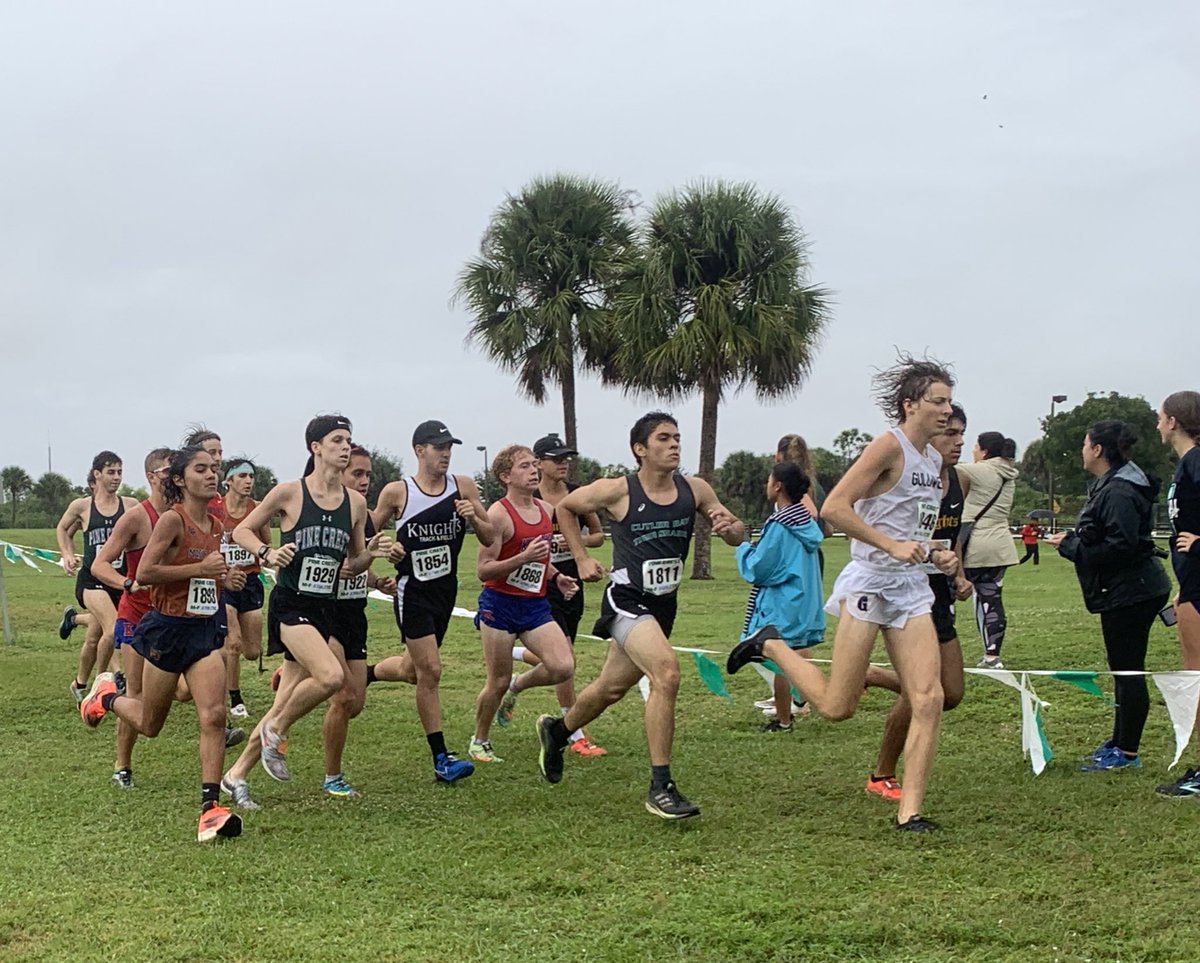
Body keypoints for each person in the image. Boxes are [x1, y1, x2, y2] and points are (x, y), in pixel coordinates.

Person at [727, 355, 958, 832]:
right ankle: (769, 644)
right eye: (938, 402)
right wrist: (890, 546)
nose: (947, 411)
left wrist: (938, 554)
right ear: (910, 404)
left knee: (929, 697)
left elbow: (916, 532)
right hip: (870, 582)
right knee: (837, 707)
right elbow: (834, 509)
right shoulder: (888, 446)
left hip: (911, 590)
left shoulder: (934, 461)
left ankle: (910, 812)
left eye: (950, 403)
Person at [536, 412, 746, 820]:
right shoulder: (618, 490)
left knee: (610, 688)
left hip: (664, 605)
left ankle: (557, 731)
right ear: (640, 449)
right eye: (663, 438)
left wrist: (730, 527)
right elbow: (565, 508)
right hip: (626, 599)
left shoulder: (695, 489)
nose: (674, 444)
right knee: (667, 673)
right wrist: (580, 558)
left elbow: (736, 534)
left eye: (677, 437)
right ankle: (660, 787)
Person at [78, 445, 245, 842]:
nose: (211, 475)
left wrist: (225, 579)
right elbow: (148, 572)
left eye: (214, 468)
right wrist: (200, 567)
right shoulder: (171, 520)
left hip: (203, 630)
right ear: (180, 480)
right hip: (167, 630)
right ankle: (106, 698)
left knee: (214, 715)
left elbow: (206, 576)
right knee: (151, 724)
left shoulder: (216, 526)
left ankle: (210, 810)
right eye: (201, 469)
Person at [220, 415, 389, 804]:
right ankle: (275, 730)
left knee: (285, 700)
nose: (345, 447)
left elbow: (354, 564)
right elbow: (241, 530)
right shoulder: (289, 493)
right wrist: (267, 552)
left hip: (325, 609)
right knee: (331, 677)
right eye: (337, 440)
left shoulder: (355, 503)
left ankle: (236, 774)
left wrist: (371, 554)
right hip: (290, 605)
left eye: (348, 440)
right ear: (316, 447)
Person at [367, 420, 491, 784]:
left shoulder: (463, 486)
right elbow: (366, 532)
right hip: (413, 592)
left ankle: (363, 674)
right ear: (419, 450)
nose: (446, 454)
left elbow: (491, 536)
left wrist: (473, 518)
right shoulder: (398, 492)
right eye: (439, 447)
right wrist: (386, 547)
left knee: (412, 670)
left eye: (449, 447)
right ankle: (441, 759)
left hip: (445, 591)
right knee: (431, 671)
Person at [1047, 420, 1171, 772]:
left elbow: (1121, 547)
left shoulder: (1119, 491)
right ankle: (1119, 742)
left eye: (1085, 444)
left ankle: (1126, 752)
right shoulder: (1113, 484)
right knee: (1122, 669)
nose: (1082, 451)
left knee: (1128, 670)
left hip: (1133, 591)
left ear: (1098, 449)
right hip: (1127, 589)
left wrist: (1070, 546)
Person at [864, 404, 974, 802]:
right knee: (922, 693)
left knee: (952, 693)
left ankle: (874, 676)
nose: (958, 442)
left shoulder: (961, 481)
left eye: (962, 434)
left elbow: (951, 536)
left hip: (939, 594)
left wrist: (959, 574)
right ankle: (882, 774)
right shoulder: (907, 473)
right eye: (950, 433)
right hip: (906, 593)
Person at [469, 445, 578, 763]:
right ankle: (480, 741)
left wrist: (557, 576)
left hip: (534, 605)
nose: (534, 470)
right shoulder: (498, 515)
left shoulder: (546, 509)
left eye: (534, 464)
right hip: (500, 605)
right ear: (506, 476)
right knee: (496, 681)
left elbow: (541, 557)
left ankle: (518, 686)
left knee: (562, 666)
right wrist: (523, 558)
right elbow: (484, 570)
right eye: (524, 466)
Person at [508, 433, 608, 756]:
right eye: (556, 458)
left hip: (572, 584)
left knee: (562, 660)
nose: (564, 463)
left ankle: (515, 681)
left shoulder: (577, 495)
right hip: (540, 585)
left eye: (566, 457)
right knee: (567, 661)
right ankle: (574, 733)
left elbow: (598, 536)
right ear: (539, 463)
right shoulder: (530, 497)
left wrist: (574, 540)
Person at [90, 447, 173, 789]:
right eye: (168, 472)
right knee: (136, 695)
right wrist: (128, 583)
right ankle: (122, 766)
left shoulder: (185, 514)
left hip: (172, 618)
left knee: (184, 690)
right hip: (136, 617)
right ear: (152, 477)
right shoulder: (138, 517)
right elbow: (99, 565)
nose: (174, 478)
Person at [320, 446, 400, 797]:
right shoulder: (324, 511)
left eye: (368, 474)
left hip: (355, 615)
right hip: (325, 614)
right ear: (338, 471)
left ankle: (300, 679)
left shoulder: (363, 515)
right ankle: (332, 777)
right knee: (342, 697)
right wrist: (333, 570)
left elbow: (357, 564)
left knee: (355, 704)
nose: (365, 480)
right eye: (357, 473)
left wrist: (378, 581)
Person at [735, 460, 824, 733]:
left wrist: (742, 547)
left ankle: (785, 719)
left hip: (782, 603)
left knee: (780, 662)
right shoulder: (804, 521)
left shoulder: (781, 524)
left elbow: (760, 568)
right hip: (803, 601)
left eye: (769, 480)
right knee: (793, 658)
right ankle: (802, 703)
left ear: (778, 486)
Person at [753, 433, 830, 719]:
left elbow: (812, 513)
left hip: (793, 563)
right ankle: (791, 696)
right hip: (807, 558)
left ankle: (799, 698)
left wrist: (790, 524)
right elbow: (826, 527)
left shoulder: (793, 492)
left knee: (785, 640)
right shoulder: (811, 482)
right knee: (795, 640)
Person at [56, 452, 141, 702]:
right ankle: (110, 679)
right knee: (113, 628)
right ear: (97, 474)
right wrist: (67, 554)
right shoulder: (82, 506)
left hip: (119, 581)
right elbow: (63, 528)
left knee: (95, 637)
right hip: (92, 580)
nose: (116, 477)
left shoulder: (131, 505)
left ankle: (79, 683)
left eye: (119, 472)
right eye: (111, 472)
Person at [1154, 391, 1200, 796]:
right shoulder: (1186, 464)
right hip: (1192, 584)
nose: (1157, 425)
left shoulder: (1197, 461)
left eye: (1160, 417)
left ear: (1173, 422)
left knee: (1197, 679)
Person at [957, 432, 1020, 668]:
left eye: (975, 447)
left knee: (950, 594)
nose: (972, 451)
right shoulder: (1008, 473)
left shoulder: (980, 470)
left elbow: (945, 468)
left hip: (976, 545)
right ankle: (992, 654)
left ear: (984, 452)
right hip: (1000, 545)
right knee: (992, 599)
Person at [218, 458, 269, 720]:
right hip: (224, 581)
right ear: (228, 481)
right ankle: (235, 698)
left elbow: (267, 545)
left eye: (251, 476)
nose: (248, 481)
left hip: (250, 582)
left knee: (252, 652)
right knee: (234, 643)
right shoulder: (215, 510)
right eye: (242, 476)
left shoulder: (258, 510)